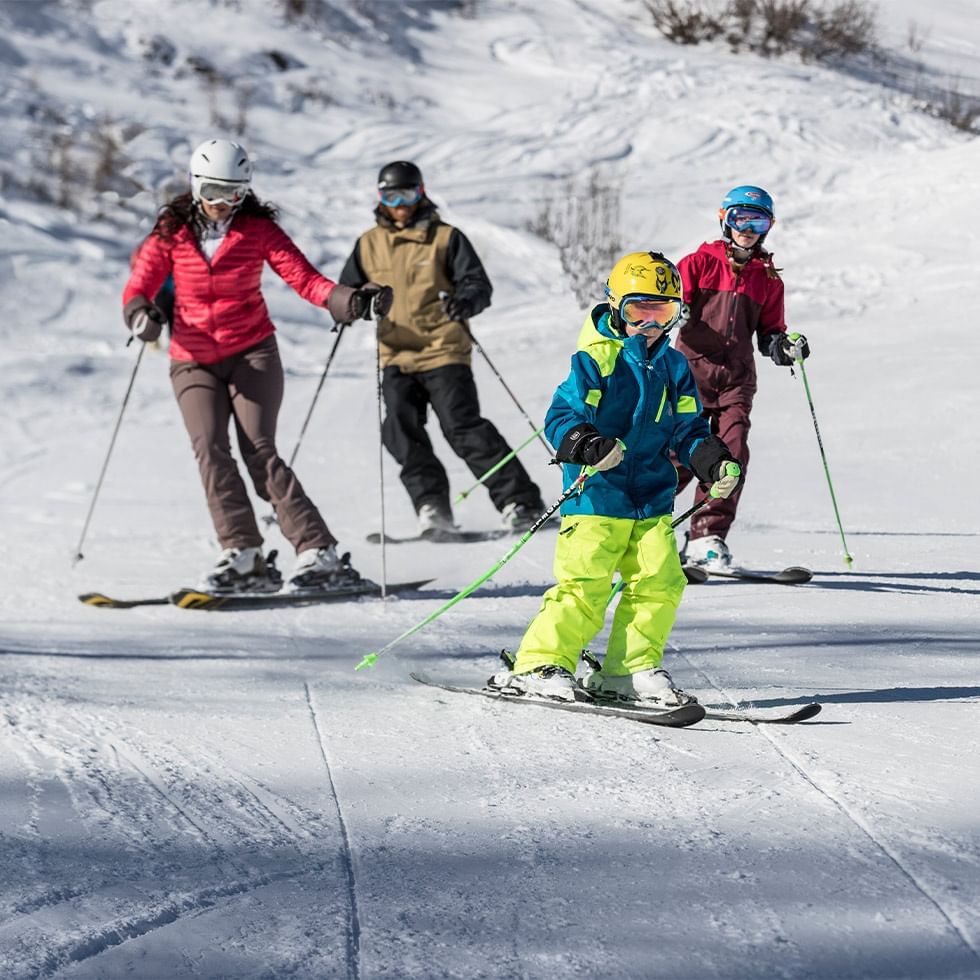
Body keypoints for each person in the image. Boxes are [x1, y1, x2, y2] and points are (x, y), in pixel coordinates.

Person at [122, 138, 393, 593]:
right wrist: (140, 315)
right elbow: (139, 285)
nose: (220, 204)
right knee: (210, 448)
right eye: (211, 192)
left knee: (258, 448)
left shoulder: (257, 230)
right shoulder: (171, 229)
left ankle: (317, 552)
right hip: (191, 359)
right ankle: (243, 553)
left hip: (252, 352)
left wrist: (349, 300)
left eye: (232, 194)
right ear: (194, 186)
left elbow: (304, 278)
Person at [490, 252, 742, 704]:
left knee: (660, 583)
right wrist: (589, 445)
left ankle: (628, 670)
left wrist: (712, 461)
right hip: (596, 494)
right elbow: (562, 416)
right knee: (586, 584)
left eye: (661, 313)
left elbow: (687, 427)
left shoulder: (674, 367)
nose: (649, 325)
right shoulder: (595, 360)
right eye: (637, 312)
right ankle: (538, 664)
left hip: (650, 496)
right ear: (614, 307)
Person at [338, 160, 547, 537]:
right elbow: (346, 292)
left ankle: (521, 502)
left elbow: (477, 284)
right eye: (390, 196)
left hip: (443, 349)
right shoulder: (368, 244)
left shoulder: (446, 238)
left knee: (462, 427)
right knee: (399, 430)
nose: (399, 204)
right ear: (380, 199)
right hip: (396, 354)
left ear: (421, 194)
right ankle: (431, 506)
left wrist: (464, 301)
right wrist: (353, 306)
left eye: (407, 194)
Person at [674, 185, 810, 572]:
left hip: (735, 380)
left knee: (730, 457)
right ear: (724, 220)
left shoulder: (767, 279)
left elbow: (769, 332)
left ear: (769, 227)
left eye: (757, 220)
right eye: (739, 218)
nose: (747, 228)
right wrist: (678, 310)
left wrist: (782, 347)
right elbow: (673, 300)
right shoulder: (698, 264)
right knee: (680, 453)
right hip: (689, 377)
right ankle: (646, 528)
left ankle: (705, 537)